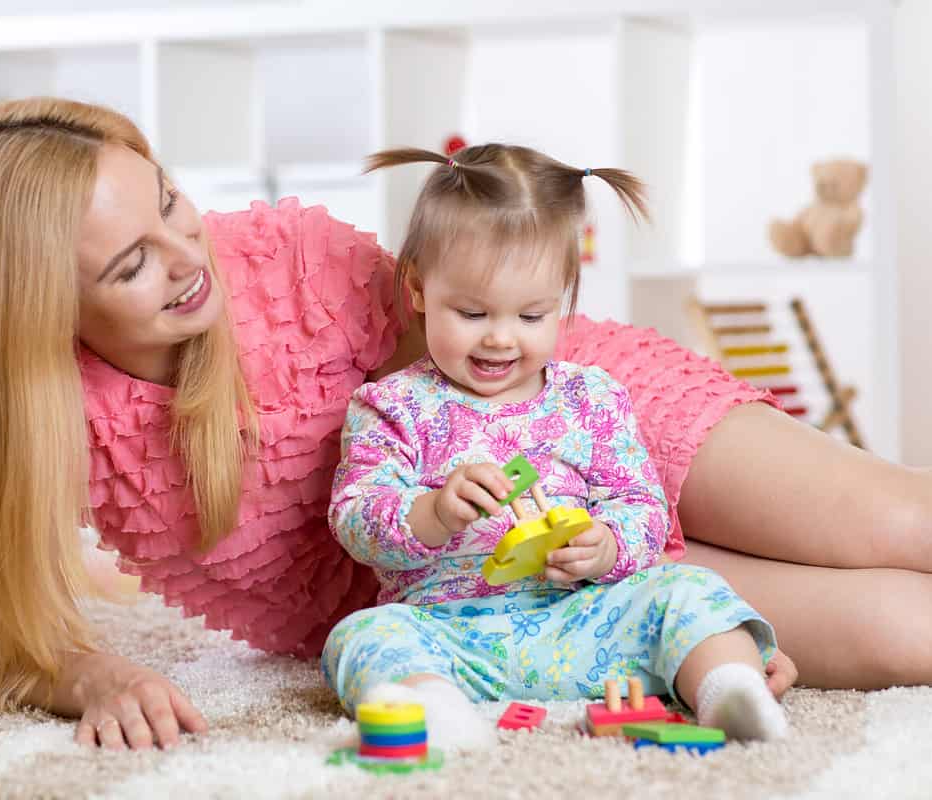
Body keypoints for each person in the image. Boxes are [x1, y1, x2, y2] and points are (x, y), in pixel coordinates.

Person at [0, 97, 932, 752]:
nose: (184, 252)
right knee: (904, 632)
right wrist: (91, 673)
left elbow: (474, 318)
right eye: (130, 262)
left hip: (579, 414)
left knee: (902, 521)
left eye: (169, 201)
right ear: (37, 316)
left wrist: (573, 489)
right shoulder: (54, 417)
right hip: (455, 592)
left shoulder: (284, 254)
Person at [323, 144, 788, 749]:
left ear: (565, 297)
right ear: (416, 287)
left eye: (532, 315)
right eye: (470, 311)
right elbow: (355, 519)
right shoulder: (392, 407)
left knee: (689, 590)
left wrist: (605, 548)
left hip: (586, 622)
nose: (499, 337)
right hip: (450, 634)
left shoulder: (590, 399)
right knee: (361, 636)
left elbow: (643, 508)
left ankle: (729, 688)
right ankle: (435, 708)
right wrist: (433, 510)